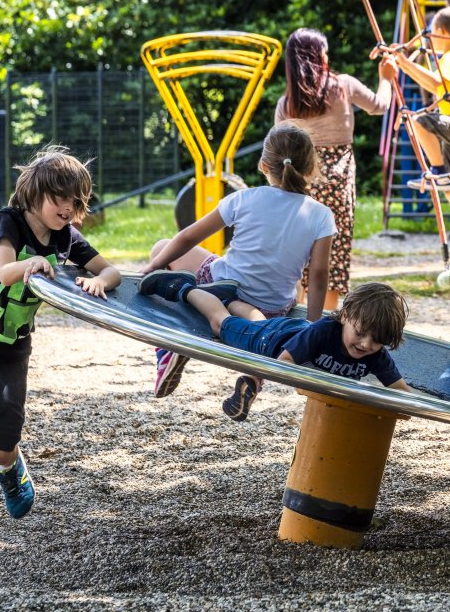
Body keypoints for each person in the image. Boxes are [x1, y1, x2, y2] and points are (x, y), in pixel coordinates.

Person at [0, 146, 120, 557]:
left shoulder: (67, 239)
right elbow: (5, 270)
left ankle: (10, 468)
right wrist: (33, 265)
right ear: (35, 193)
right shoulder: (9, 222)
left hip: (13, 352)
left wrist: (99, 280)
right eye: (60, 199)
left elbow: (111, 269)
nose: (69, 209)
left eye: (77, 201)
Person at [139, 124, 335, 407]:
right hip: (271, 306)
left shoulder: (245, 197)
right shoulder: (320, 215)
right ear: (310, 168)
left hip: (223, 285)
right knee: (289, 289)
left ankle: (169, 346)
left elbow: (188, 236)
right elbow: (317, 276)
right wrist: (312, 327)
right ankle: (253, 376)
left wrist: (155, 265)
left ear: (263, 164)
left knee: (162, 248)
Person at [274, 28, 391, 308]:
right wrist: (386, 78)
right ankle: (324, 319)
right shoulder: (343, 86)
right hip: (337, 187)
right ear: (320, 56)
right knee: (333, 255)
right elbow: (380, 105)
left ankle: (294, 315)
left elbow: (277, 147)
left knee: (298, 252)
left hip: (300, 187)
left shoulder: (286, 104)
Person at [375, 7, 450, 252]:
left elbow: (436, 83)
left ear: (442, 32)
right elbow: (434, 84)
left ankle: (437, 170)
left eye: (432, 33)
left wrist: (404, 61)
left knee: (417, 120)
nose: (429, 38)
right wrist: (403, 64)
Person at [217, 282, 412, 419]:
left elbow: (402, 392)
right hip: (271, 339)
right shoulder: (324, 331)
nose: (366, 344)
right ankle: (190, 289)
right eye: (360, 333)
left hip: (298, 332)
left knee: (257, 321)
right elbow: (284, 362)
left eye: (378, 340)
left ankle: (230, 300)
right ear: (345, 316)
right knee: (221, 324)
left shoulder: (375, 354)